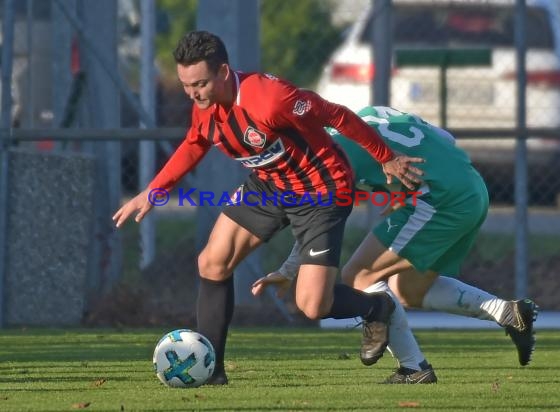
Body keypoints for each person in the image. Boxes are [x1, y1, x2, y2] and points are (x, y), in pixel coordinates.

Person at [112, 32, 425, 385]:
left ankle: (376, 309)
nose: (192, 93)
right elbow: (194, 144)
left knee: (312, 305)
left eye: (199, 84)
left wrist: (386, 157)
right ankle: (211, 370)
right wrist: (152, 192)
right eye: (186, 85)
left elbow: (336, 115)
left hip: (321, 191)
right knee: (212, 263)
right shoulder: (205, 106)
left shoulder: (272, 99)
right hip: (269, 185)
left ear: (224, 72)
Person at [251, 105, 538, 384]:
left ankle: (414, 368)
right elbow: (445, 139)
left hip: (440, 202)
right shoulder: (366, 115)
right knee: (410, 289)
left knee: (360, 274)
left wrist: (289, 270)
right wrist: (403, 188)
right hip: (471, 188)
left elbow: (318, 226)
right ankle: (507, 312)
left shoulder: (330, 156)